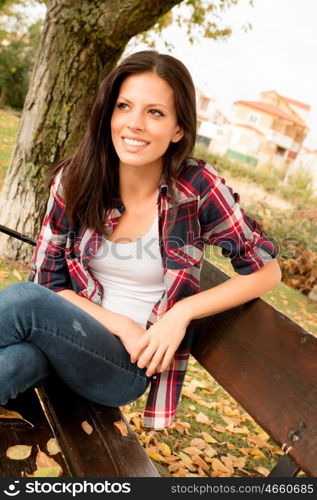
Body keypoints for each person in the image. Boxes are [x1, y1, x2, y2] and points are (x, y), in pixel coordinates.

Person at [0, 50, 281, 430]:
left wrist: (181, 313)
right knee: (16, 362)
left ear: (178, 128)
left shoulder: (196, 189)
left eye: (155, 112)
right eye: (124, 106)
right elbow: (48, 283)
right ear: (109, 114)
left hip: (125, 366)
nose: (134, 124)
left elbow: (266, 271)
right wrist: (120, 324)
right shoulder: (75, 178)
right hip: (65, 339)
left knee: (25, 301)